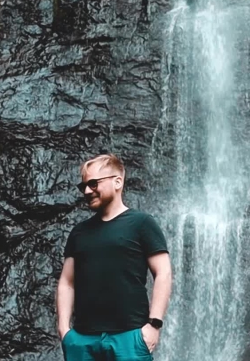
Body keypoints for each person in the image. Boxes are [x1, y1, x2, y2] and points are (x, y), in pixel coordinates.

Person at [56, 154, 173, 361]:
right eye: (83, 186)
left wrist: (154, 324)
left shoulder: (142, 223)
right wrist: (65, 331)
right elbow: (67, 282)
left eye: (93, 184)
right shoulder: (79, 232)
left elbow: (163, 273)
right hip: (82, 340)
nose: (87, 191)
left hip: (129, 337)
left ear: (117, 181)